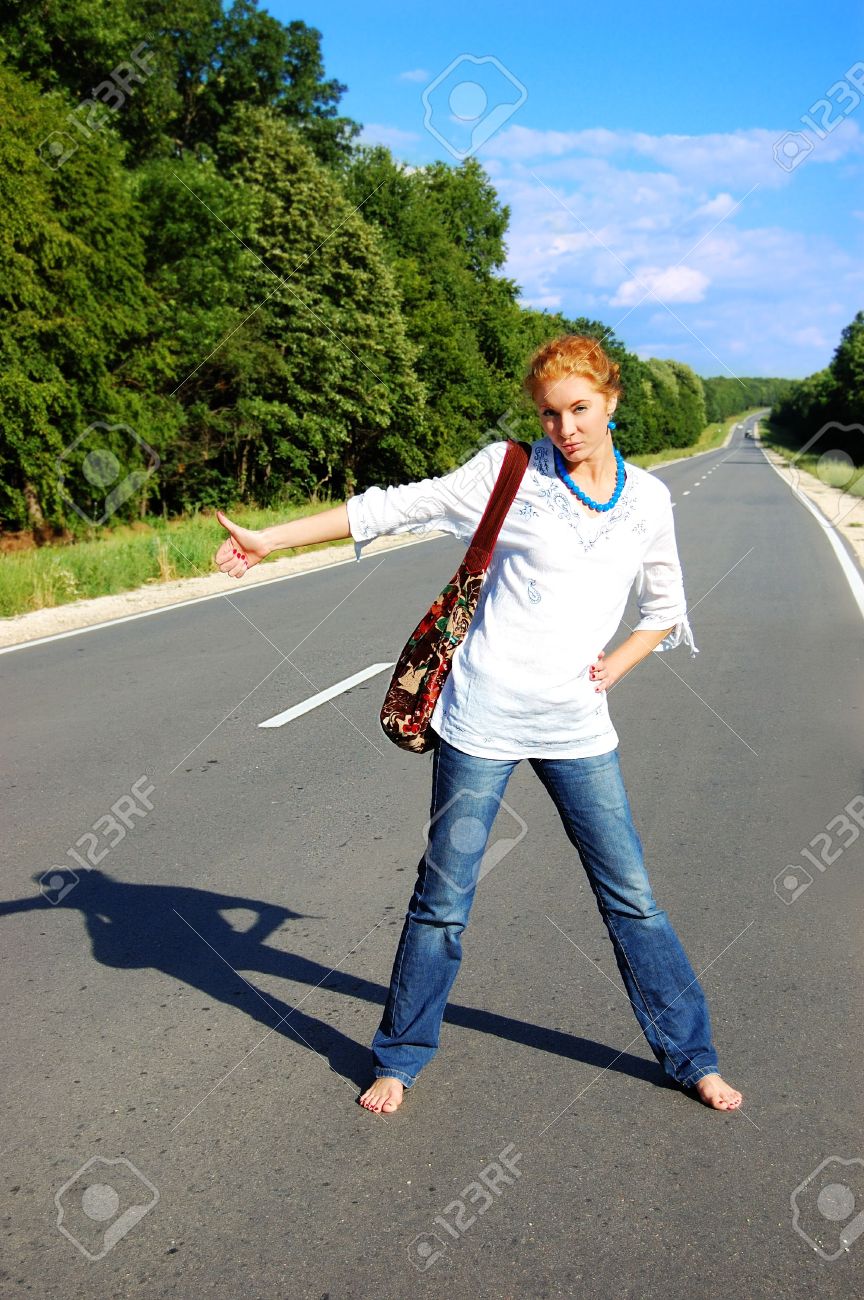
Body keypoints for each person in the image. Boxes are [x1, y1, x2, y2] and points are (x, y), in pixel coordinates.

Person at [213, 334, 743, 1116]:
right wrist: (269, 541)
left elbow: (664, 610)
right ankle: (399, 1057)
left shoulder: (649, 503)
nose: (564, 428)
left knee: (632, 897)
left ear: (612, 401)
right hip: (481, 721)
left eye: (580, 409)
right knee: (444, 898)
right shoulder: (511, 473)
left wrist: (612, 666)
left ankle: (691, 1056)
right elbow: (394, 507)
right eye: (550, 413)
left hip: (578, 732)